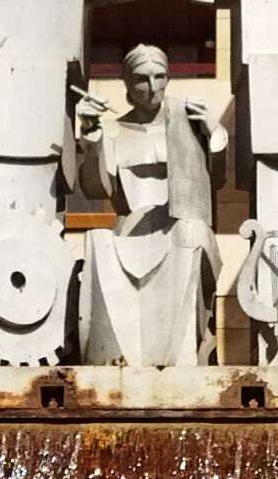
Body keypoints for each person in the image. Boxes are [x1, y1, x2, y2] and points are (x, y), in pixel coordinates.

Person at [65, 42, 227, 367]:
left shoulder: (188, 122)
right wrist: (91, 136)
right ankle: (113, 354)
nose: (152, 88)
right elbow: (94, 187)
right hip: (131, 228)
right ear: (126, 82)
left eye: (160, 76)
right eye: (141, 78)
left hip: (180, 226)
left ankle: (180, 353)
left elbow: (216, 181)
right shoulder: (111, 131)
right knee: (97, 239)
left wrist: (215, 133)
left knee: (191, 233)